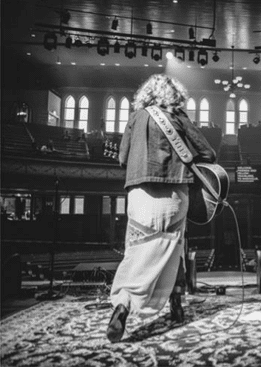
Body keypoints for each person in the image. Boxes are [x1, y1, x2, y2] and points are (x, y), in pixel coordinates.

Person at [107, 74, 216, 343]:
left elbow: (122, 158)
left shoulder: (136, 117)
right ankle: (175, 302)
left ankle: (123, 304)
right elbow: (208, 153)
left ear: (145, 95)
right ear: (175, 95)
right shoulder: (178, 116)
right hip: (175, 194)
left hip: (139, 193)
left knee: (138, 249)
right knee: (172, 249)